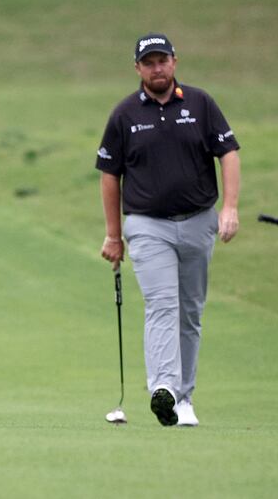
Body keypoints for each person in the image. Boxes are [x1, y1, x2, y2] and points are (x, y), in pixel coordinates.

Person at [97, 33, 240, 426]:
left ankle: (186, 395)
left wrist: (229, 207)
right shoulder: (125, 114)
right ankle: (165, 389)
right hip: (146, 226)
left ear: (174, 62)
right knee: (163, 305)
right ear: (138, 68)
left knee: (190, 312)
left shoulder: (200, 104)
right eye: (149, 62)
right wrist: (114, 234)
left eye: (163, 60)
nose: (156, 68)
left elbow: (228, 152)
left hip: (198, 221)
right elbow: (110, 175)